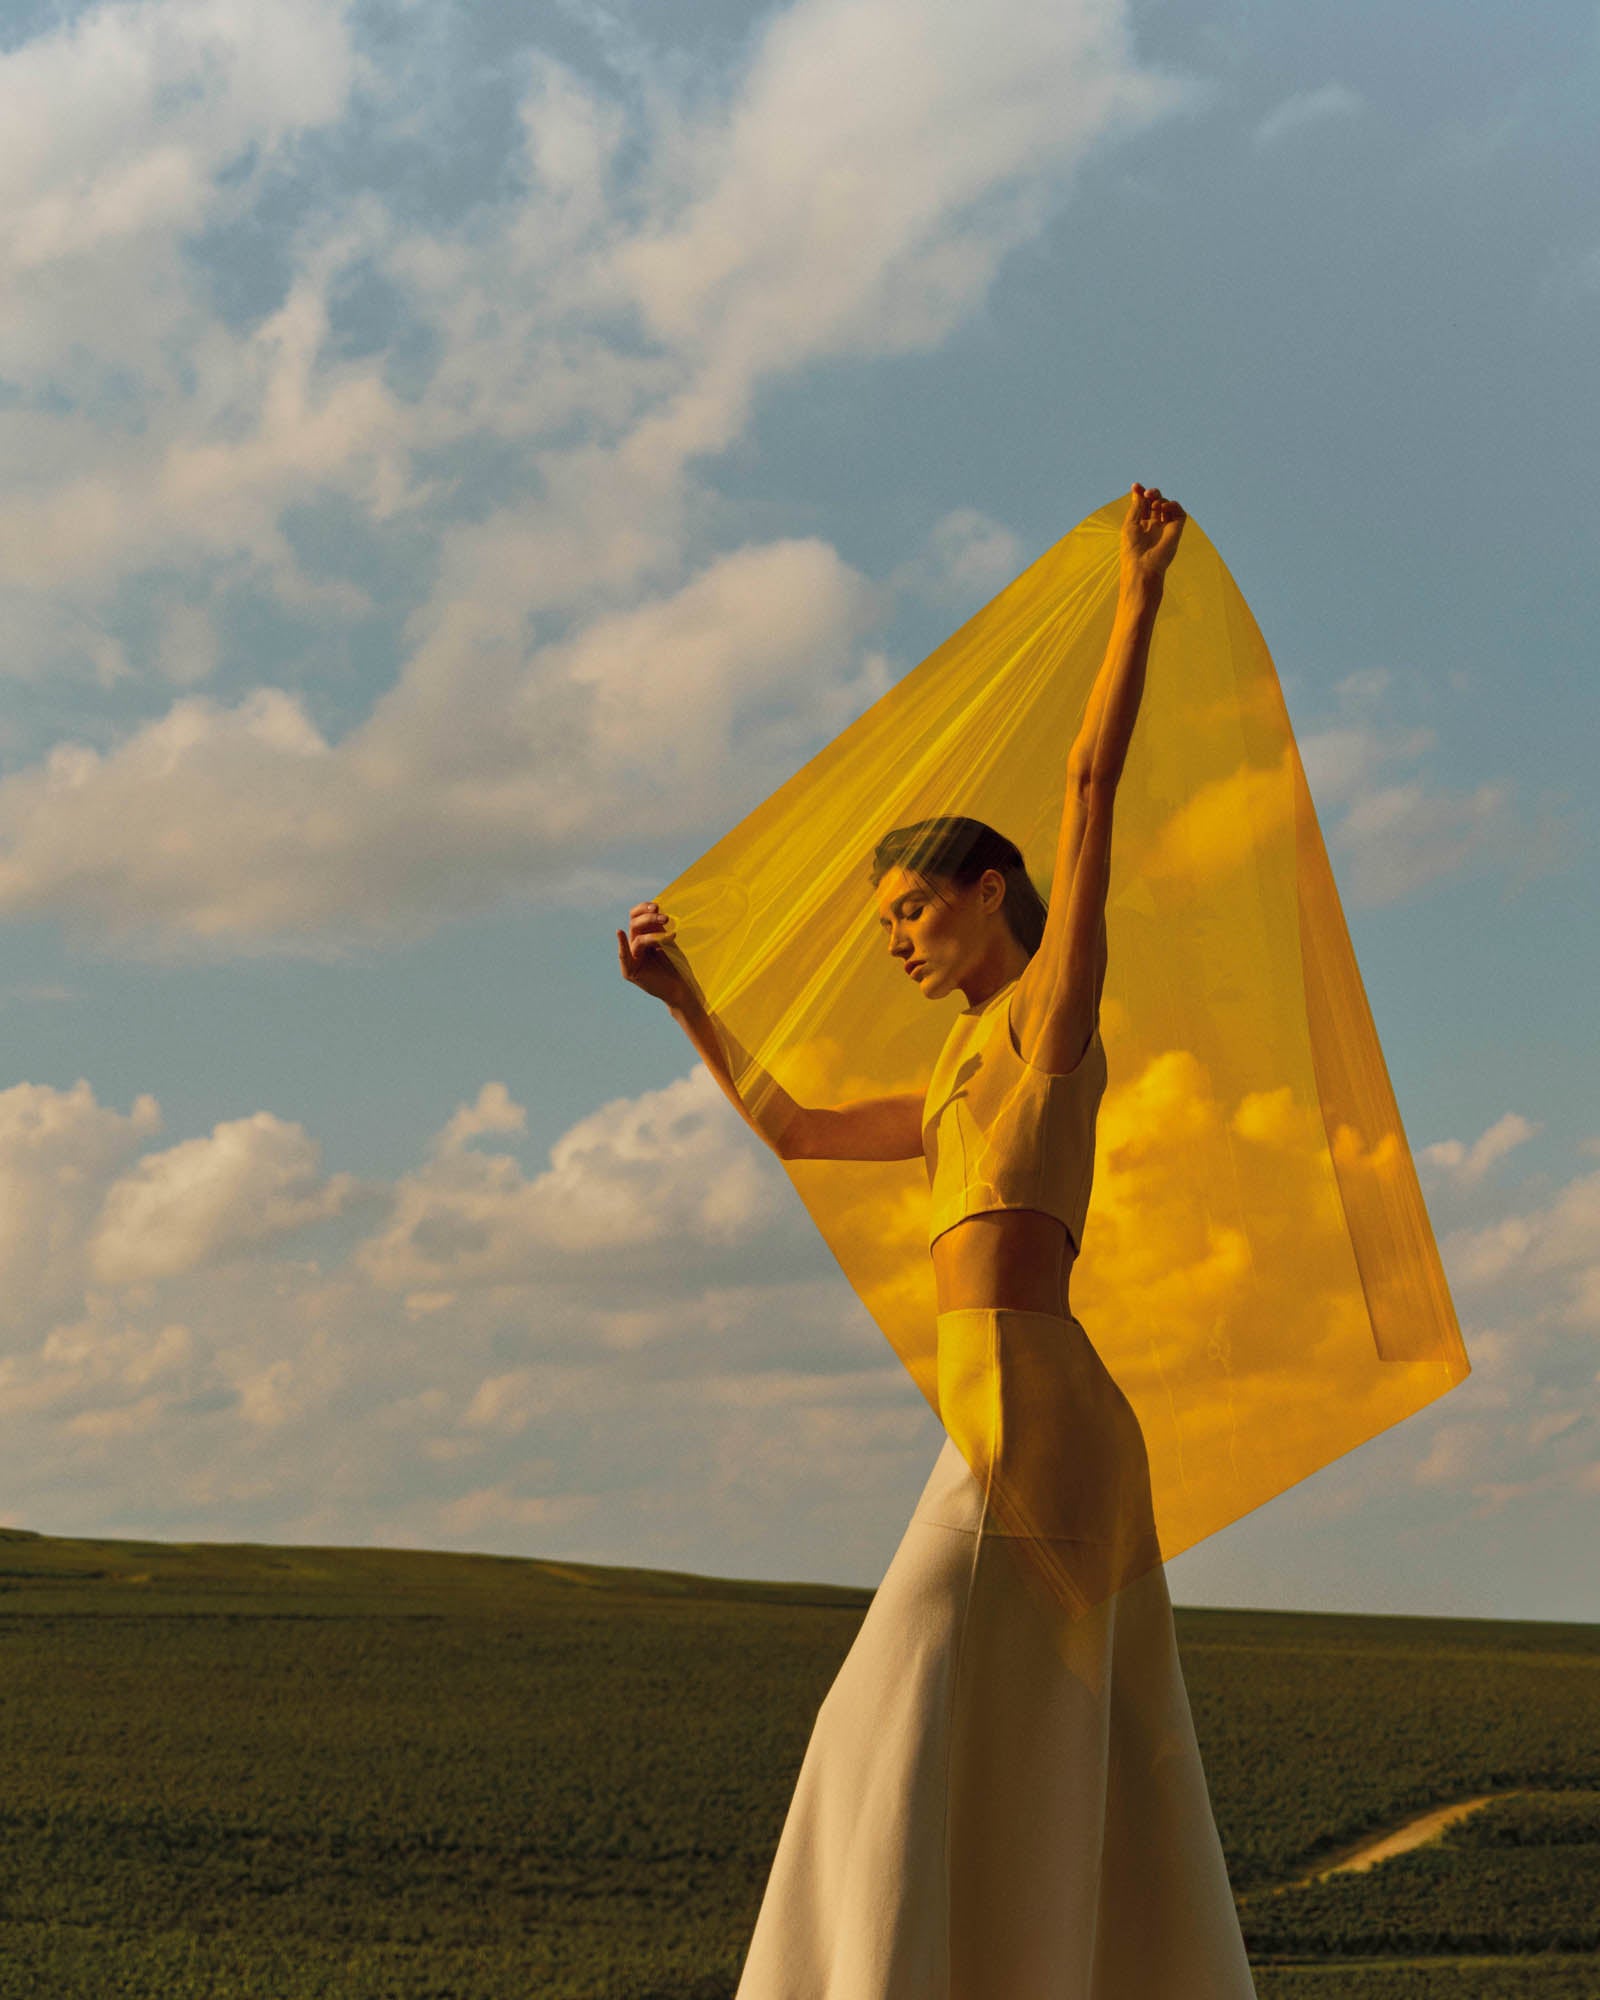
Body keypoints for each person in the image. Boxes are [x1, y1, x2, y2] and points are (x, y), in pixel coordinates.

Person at [617, 486, 1257, 1998]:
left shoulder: (1044, 1021)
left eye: (911, 911)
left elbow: (1090, 788)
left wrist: (1137, 598)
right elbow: (789, 1128)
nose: (898, 941)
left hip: (1038, 1416)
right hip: (998, 1410)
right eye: (887, 925)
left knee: (891, 1707)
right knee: (1022, 1737)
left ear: (989, 893)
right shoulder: (957, 1070)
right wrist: (690, 1001)